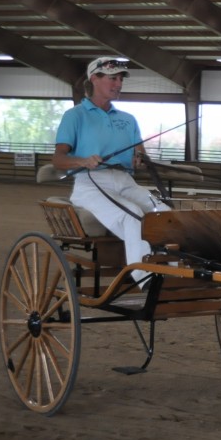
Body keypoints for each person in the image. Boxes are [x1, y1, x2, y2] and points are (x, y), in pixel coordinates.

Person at [52, 56, 171, 290]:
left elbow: (140, 155)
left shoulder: (128, 120)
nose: (118, 84)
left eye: (120, 79)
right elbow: (58, 159)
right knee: (132, 215)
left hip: (125, 181)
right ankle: (146, 280)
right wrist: (84, 161)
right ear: (94, 79)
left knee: (165, 214)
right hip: (91, 183)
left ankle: (173, 272)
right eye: (112, 78)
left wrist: (140, 159)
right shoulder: (75, 116)